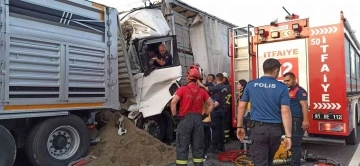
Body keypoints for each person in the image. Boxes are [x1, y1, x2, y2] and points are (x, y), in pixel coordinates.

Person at [236, 58, 292, 166]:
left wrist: (239, 126)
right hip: (275, 131)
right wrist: (288, 136)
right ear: (276, 70)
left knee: (261, 162)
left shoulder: (251, 85)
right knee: (269, 161)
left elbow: (241, 106)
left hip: (258, 130)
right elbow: (285, 111)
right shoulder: (282, 87)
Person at [170, 68, 215, 166]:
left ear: (188, 78)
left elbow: (173, 102)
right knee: (198, 148)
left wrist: (174, 116)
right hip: (198, 120)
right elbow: (212, 104)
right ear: (197, 79)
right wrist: (205, 115)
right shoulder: (202, 91)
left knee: (182, 148)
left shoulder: (182, 89)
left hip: (185, 120)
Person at [197, 73, 228, 153]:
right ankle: (222, 147)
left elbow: (206, 88)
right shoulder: (225, 87)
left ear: (216, 79)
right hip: (223, 110)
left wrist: (199, 82)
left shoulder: (217, 87)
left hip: (216, 111)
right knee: (221, 129)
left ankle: (215, 147)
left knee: (215, 129)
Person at [283, 72, 309, 166]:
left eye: (288, 80)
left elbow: (304, 106)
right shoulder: (287, 91)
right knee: (287, 141)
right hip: (288, 120)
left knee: (295, 144)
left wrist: (305, 120)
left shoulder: (299, 91)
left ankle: (295, 164)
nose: (286, 82)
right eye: (285, 81)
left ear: (294, 79)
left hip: (296, 120)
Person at [222, 72, 232, 144]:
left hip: (226, 107)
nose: (223, 79)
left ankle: (226, 138)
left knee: (226, 123)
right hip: (223, 107)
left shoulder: (228, 87)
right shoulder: (224, 86)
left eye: (224, 78)